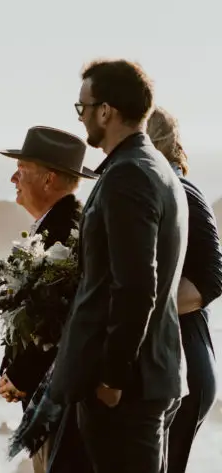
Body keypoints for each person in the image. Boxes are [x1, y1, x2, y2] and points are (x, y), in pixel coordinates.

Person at [49, 60, 187, 473]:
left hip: (127, 389)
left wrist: (113, 377)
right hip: (152, 375)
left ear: (106, 111)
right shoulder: (157, 168)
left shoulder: (129, 175)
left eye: (83, 107)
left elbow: (136, 286)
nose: (81, 117)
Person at [0, 126, 95, 473]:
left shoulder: (68, 232)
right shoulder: (53, 226)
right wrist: (10, 370)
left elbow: (63, 317)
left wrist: (21, 376)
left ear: (49, 179)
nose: (13, 179)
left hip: (61, 406)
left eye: (21, 170)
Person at [147, 107, 222, 473]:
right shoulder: (160, 191)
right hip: (172, 363)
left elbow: (213, 278)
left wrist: (140, 308)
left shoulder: (183, 193)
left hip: (185, 363)